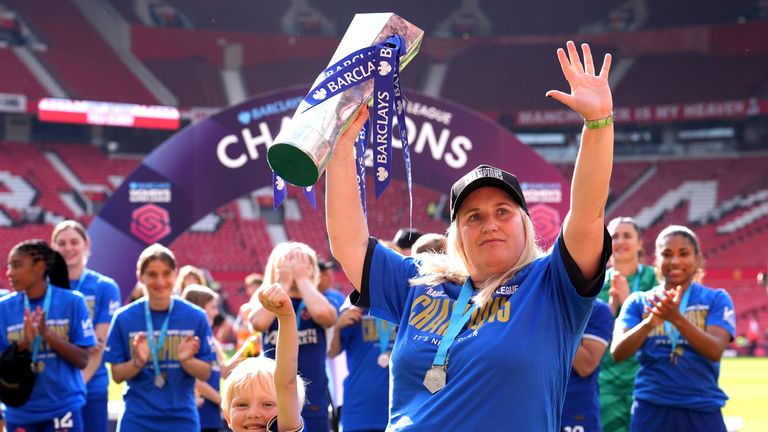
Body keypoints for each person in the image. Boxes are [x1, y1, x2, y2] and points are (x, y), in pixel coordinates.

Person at [325, 41, 614, 430]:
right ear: (456, 233)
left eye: (502, 212)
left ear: (524, 223)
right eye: (473, 216)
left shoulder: (551, 286)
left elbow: (587, 214)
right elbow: (349, 244)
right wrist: (341, 152)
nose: (489, 224)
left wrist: (598, 125)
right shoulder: (419, 284)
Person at [611, 225, 735, 432]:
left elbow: (715, 350)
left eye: (684, 254)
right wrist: (649, 323)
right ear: (658, 261)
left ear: (697, 259)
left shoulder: (716, 299)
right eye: (667, 254)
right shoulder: (639, 301)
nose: (675, 261)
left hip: (702, 406)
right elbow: (618, 352)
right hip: (651, 407)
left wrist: (677, 319)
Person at [104, 244, 216, 431]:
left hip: (182, 419)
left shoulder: (195, 316)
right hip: (137, 419)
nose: (161, 281)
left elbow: (205, 373)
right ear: (140, 277)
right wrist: (138, 362)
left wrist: (187, 361)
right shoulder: (124, 318)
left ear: (175, 274)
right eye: (152, 274)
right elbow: (117, 375)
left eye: (166, 273)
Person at [0, 240, 96, 431]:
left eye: (17, 266)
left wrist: (47, 334)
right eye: (9, 267)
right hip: (20, 411)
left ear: (39, 267)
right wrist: (22, 345)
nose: (10, 273)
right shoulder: (3, 308)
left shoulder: (72, 302)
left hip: (62, 408)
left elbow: (83, 359)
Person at [248, 242, 340, 432]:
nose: (295, 267)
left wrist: (303, 281)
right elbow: (258, 323)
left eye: (301, 262)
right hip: (270, 399)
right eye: (289, 261)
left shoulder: (318, 299)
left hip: (312, 397)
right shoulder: (266, 301)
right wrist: (282, 285)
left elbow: (325, 316)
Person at [51, 220, 121, 432]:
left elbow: (98, 346)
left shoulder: (104, 287)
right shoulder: (44, 287)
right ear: (53, 247)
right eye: (61, 243)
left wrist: (77, 387)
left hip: (91, 385)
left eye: (74, 241)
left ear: (86, 244)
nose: (68, 248)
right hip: (52, 389)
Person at [597, 217, 657, 432]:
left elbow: (663, 328)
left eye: (627, 236)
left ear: (640, 243)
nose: (620, 241)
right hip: (606, 381)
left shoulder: (655, 280)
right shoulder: (594, 283)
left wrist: (628, 301)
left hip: (646, 378)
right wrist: (611, 309)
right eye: (615, 236)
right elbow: (585, 335)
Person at [221, 282, 306, 432]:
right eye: (241, 405)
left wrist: (286, 317)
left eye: (267, 404)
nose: (253, 414)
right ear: (227, 417)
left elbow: (286, 383)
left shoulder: (285, 426)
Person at [328, 302, 396, 432]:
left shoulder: (401, 306)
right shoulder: (353, 311)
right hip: (358, 410)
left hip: (394, 408)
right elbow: (332, 352)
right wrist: (337, 328)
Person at [560, 298, 614, 432]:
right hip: (533, 407)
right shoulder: (529, 303)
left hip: (574, 412)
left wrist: (553, 321)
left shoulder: (597, 309)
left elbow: (585, 366)